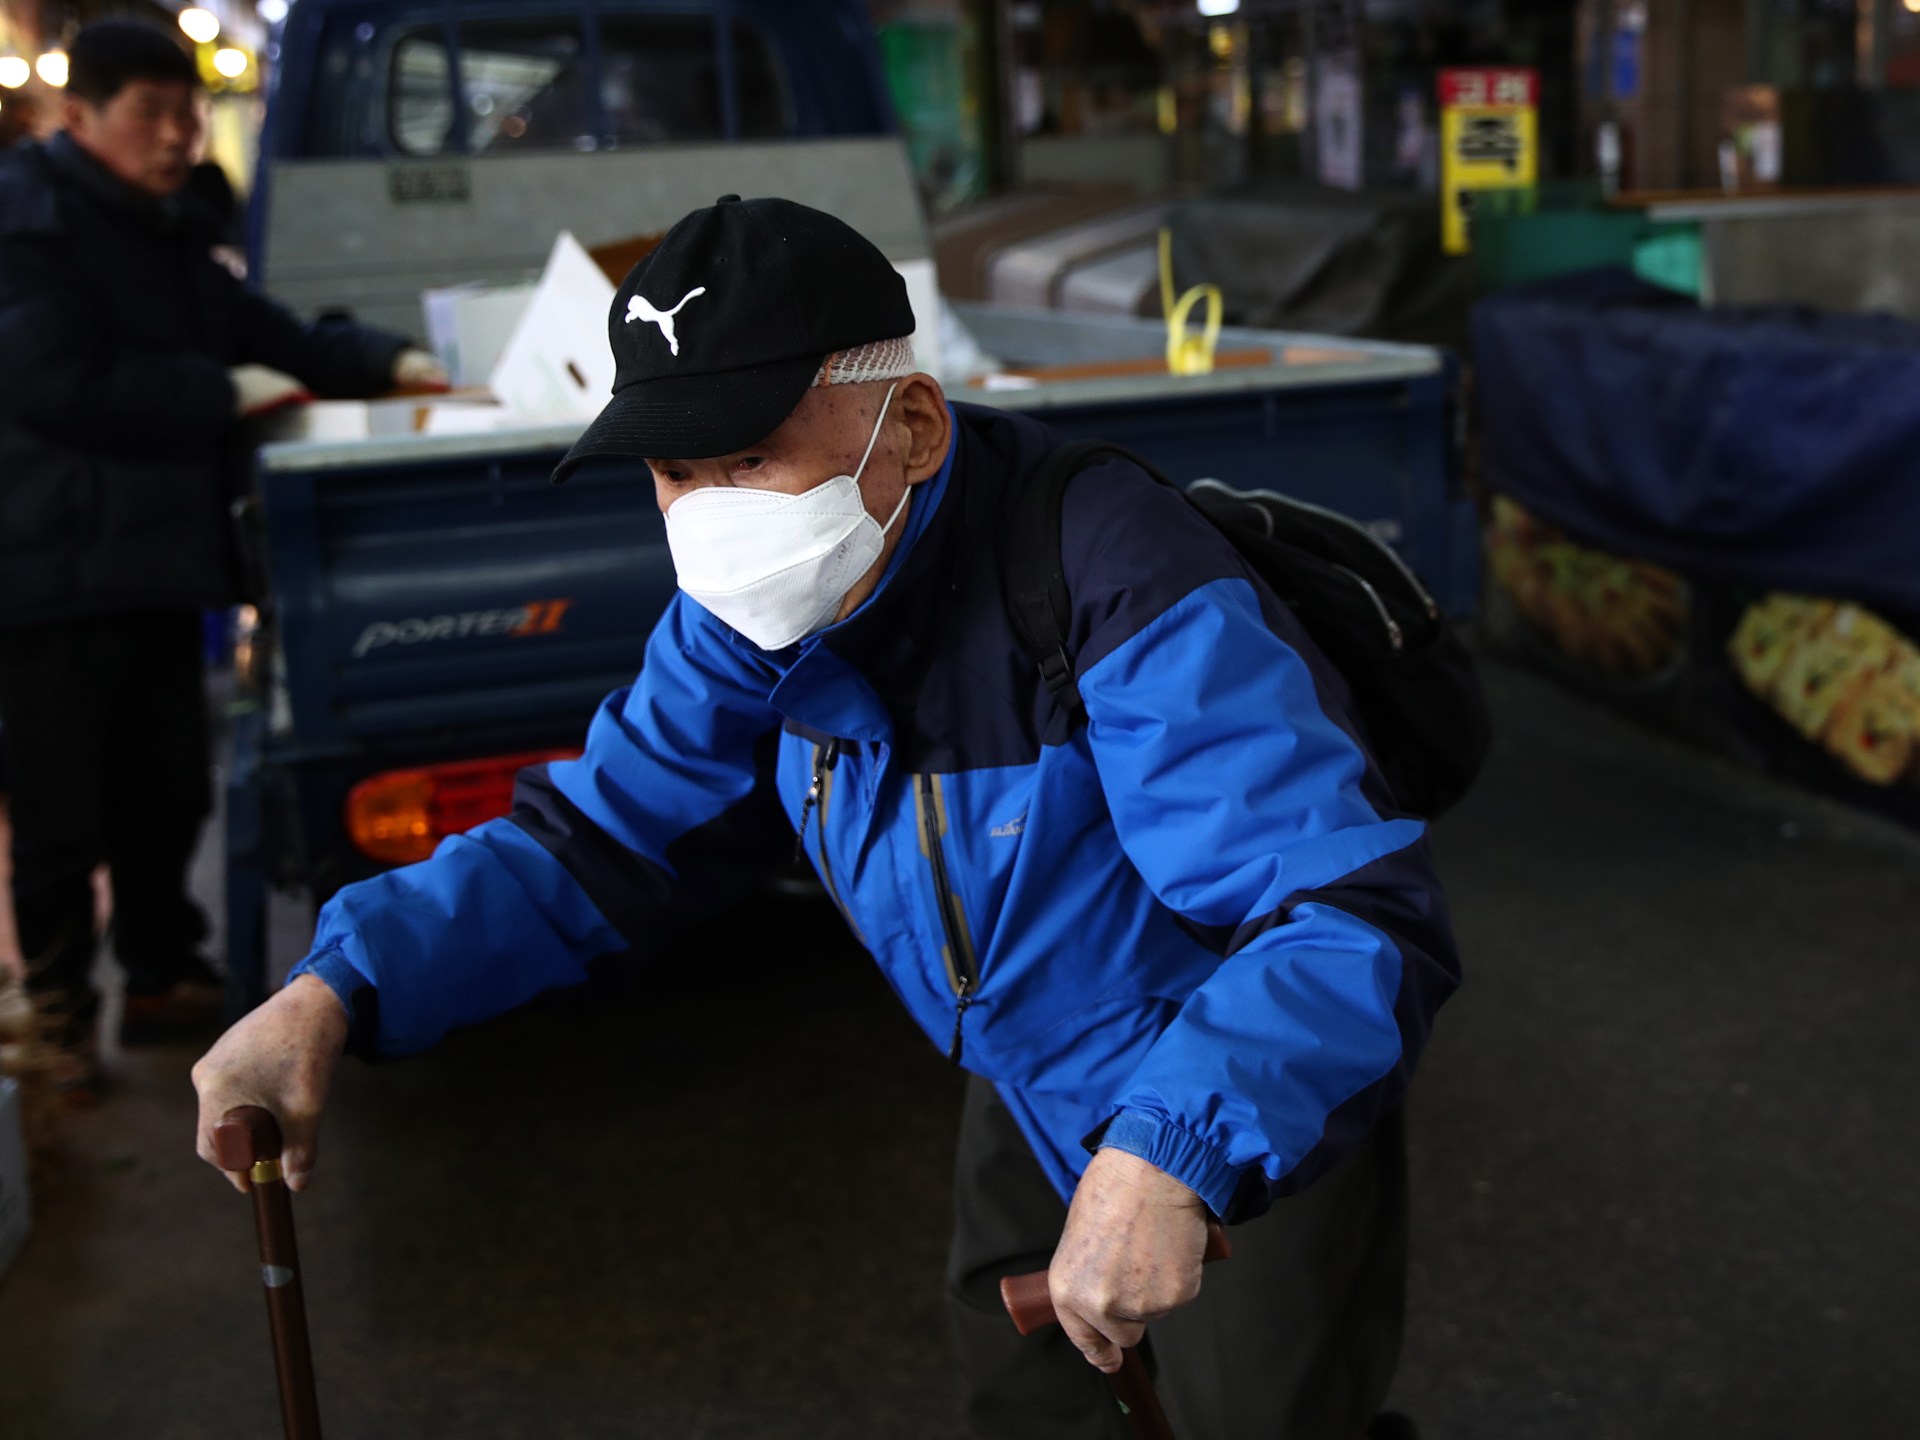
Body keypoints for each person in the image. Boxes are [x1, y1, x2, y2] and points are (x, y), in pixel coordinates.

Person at [192, 196, 1460, 1439]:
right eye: (676, 472)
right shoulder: (744, 620)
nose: (714, 515)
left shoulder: (1111, 570)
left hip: (1238, 1083)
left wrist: (1173, 1150)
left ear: (912, 424)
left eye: (750, 458)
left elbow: (1342, 913)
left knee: (1261, 1417)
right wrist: (337, 985)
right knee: (1025, 1398)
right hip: (1024, 1068)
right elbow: (593, 840)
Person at [0, 20, 446, 1086]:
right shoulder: (27, 226)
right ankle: (56, 1025)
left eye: (189, 113)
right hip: (55, 574)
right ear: (78, 116)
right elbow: (52, 382)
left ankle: (163, 977)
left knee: (166, 792)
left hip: (158, 567)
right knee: (62, 813)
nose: (176, 135)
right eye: (149, 113)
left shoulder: (164, 230)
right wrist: (216, 392)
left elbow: (264, 332)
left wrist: (388, 358)